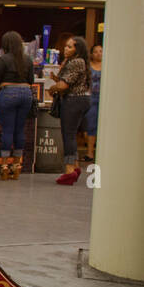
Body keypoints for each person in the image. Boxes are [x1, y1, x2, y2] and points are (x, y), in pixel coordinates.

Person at [0, 30, 35, 180]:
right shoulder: (27, 59)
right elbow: (31, 80)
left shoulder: (3, 59)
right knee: (19, 129)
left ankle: (4, 166)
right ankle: (17, 166)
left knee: (7, 130)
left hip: (8, 93)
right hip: (26, 94)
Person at [49, 33, 91, 185]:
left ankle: (69, 170)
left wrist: (53, 88)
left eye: (69, 46)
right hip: (80, 100)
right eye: (65, 46)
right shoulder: (76, 61)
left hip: (74, 100)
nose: (65, 49)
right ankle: (75, 167)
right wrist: (56, 77)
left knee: (69, 135)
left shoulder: (76, 62)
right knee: (71, 134)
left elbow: (64, 85)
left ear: (77, 49)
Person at [84, 40, 102, 163]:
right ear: (91, 54)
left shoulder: (108, 66)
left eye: (101, 51)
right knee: (90, 126)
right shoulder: (88, 67)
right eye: (95, 51)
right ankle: (90, 153)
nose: (98, 54)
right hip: (91, 98)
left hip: (104, 98)